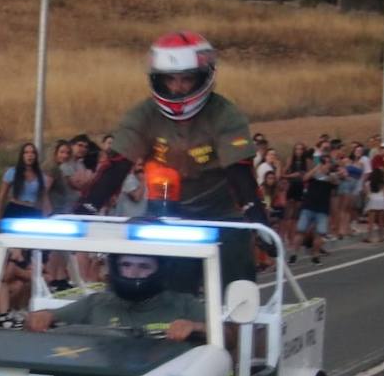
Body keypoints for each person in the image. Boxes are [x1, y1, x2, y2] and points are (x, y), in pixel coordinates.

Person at [83, 31, 261, 283]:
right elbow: (116, 165)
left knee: (236, 291)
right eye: (170, 79)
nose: (177, 88)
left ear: (204, 77)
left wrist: (257, 218)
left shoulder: (226, 115)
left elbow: (240, 172)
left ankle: (235, 321)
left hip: (223, 214)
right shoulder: (142, 115)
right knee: (165, 293)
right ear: (157, 79)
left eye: (186, 79)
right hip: (168, 214)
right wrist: (86, 208)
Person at [25, 253, 205, 342]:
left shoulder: (184, 304)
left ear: (160, 269)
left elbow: (227, 335)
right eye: (126, 265)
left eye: (144, 266)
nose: (134, 273)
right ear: (116, 268)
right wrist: (41, 317)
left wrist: (195, 326)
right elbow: (48, 316)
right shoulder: (96, 302)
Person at [0, 142, 46, 220]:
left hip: (33, 211)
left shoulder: (41, 175)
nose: (30, 155)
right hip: (15, 210)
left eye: (32, 152)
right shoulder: (12, 172)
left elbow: (43, 198)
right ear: (22, 155)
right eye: (26, 152)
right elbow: (2, 196)